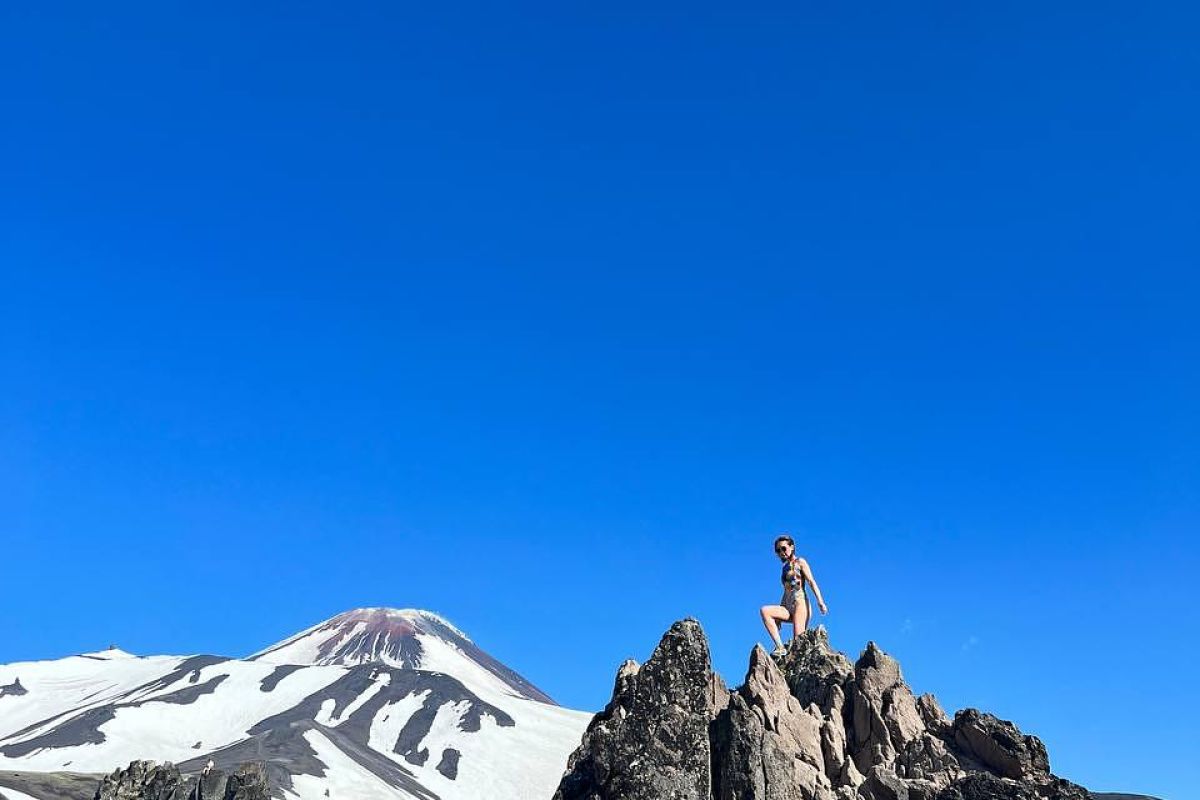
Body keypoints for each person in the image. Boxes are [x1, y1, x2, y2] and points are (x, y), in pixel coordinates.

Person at [759, 533, 828, 656]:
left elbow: (811, 581)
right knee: (765, 611)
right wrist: (779, 616)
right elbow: (786, 592)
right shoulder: (784, 568)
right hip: (787, 605)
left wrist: (820, 602)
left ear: (792, 547)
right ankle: (780, 647)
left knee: (798, 642)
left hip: (800, 604)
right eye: (778, 550)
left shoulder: (800, 562)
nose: (781, 552)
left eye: (784, 548)